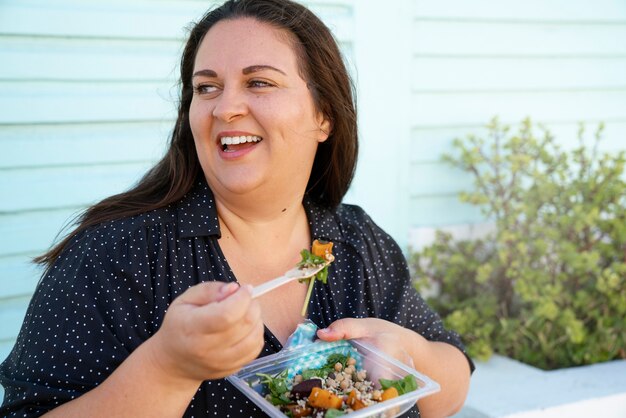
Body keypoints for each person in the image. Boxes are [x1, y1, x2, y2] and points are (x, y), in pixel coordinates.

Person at [0, 0, 473, 416]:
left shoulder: (359, 244)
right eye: (206, 88)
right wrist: (167, 369)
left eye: (259, 82)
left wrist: (409, 356)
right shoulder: (116, 258)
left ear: (324, 115)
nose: (225, 108)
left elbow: (452, 380)